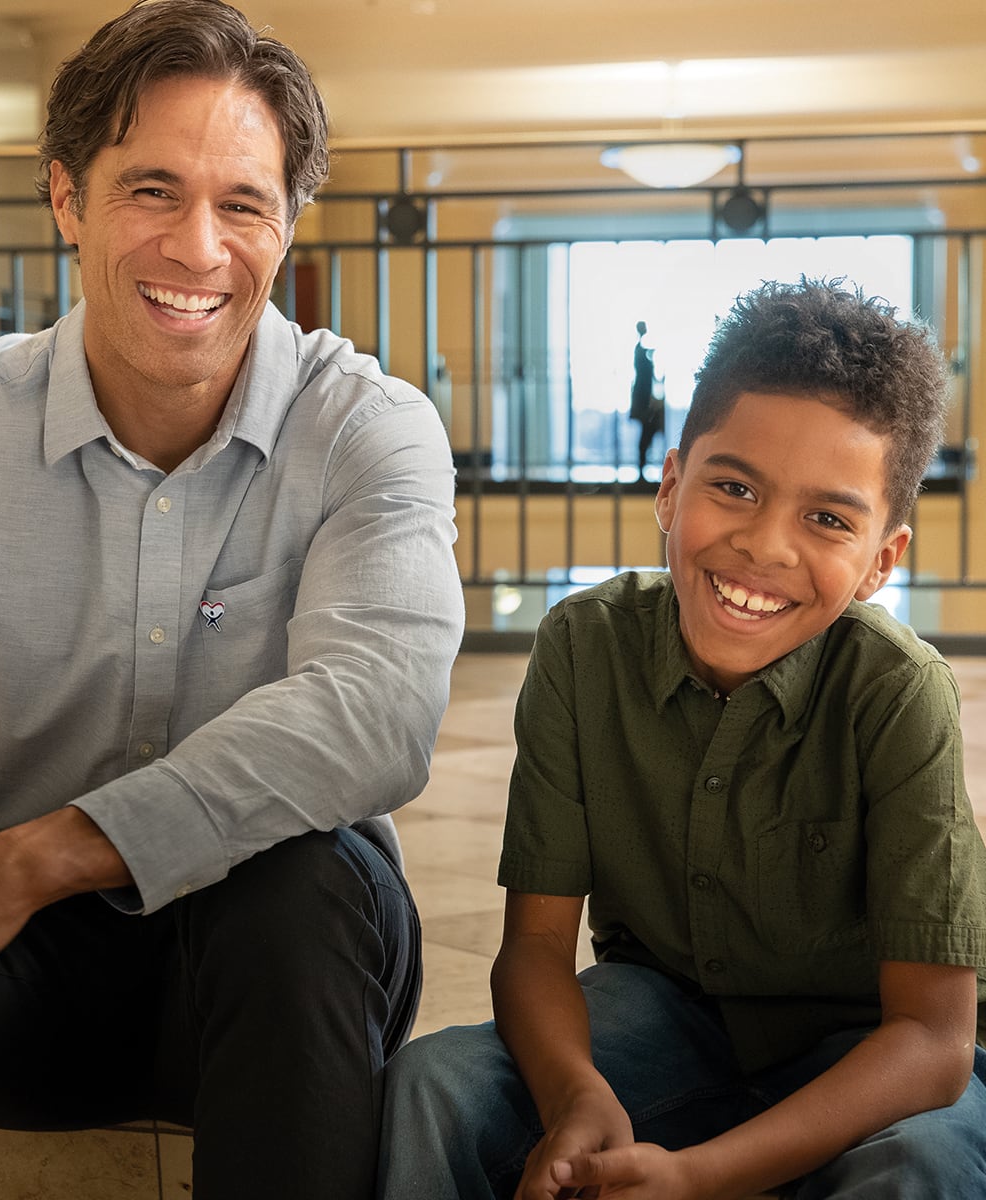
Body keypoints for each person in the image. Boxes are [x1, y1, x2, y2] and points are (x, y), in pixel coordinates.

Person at [0, 2, 464, 1198]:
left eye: (243, 202)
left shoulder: (369, 426)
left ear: (287, 222)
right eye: (151, 190)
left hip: (289, 973)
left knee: (301, 876)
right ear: (68, 200)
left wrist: (9, 869)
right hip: (33, 974)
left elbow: (378, 715)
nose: (198, 247)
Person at [378, 278, 986, 1199]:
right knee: (436, 1086)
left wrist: (702, 1176)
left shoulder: (900, 695)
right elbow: (537, 949)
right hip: (661, 1017)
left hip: (866, 1052)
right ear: (670, 487)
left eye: (828, 518)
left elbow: (935, 1042)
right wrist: (574, 1091)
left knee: (920, 1167)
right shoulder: (585, 648)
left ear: (880, 562)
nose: (766, 546)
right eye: (733, 487)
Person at [629, 319, 663, 478]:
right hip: (642, 399)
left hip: (645, 398)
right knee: (647, 431)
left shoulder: (642, 350)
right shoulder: (639, 350)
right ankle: (642, 465)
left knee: (649, 430)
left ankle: (644, 464)